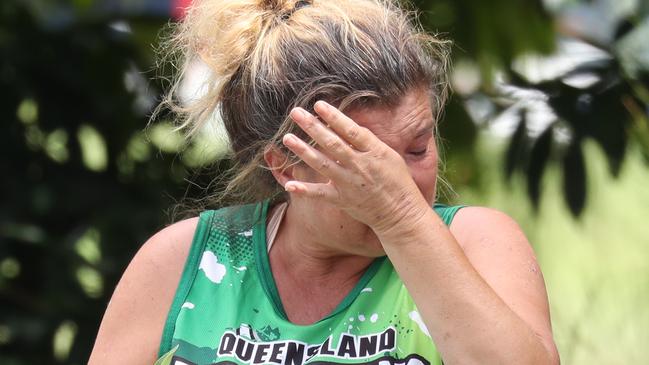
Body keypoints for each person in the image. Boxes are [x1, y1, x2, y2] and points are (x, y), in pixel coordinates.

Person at [89, 0, 560, 364]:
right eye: (362, 165)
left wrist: (403, 222)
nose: (400, 183)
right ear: (285, 165)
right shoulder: (184, 261)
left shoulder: (477, 243)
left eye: (417, 149)